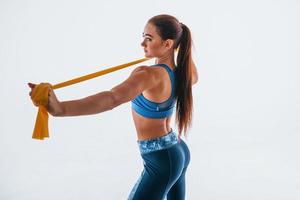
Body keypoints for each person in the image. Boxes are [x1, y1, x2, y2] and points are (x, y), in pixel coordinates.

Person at [28, 14, 198, 200]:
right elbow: (193, 76)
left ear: (167, 44)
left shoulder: (147, 74)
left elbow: (112, 98)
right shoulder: (181, 71)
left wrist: (60, 108)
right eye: (143, 37)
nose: (142, 44)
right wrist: (178, 48)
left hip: (162, 160)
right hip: (176, 150)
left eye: (149, 39)